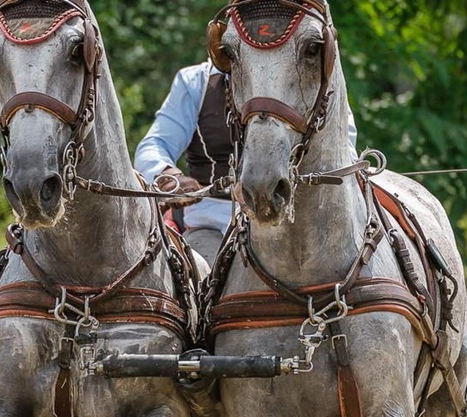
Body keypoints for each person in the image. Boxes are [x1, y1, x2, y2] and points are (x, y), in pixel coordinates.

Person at [134, 60, 357, 264]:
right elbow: (155, 145)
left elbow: (344, 154)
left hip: (299, 225)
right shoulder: (196, 82)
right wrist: (168, 175)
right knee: (199, 291)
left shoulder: (318, 81)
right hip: (210, 225)